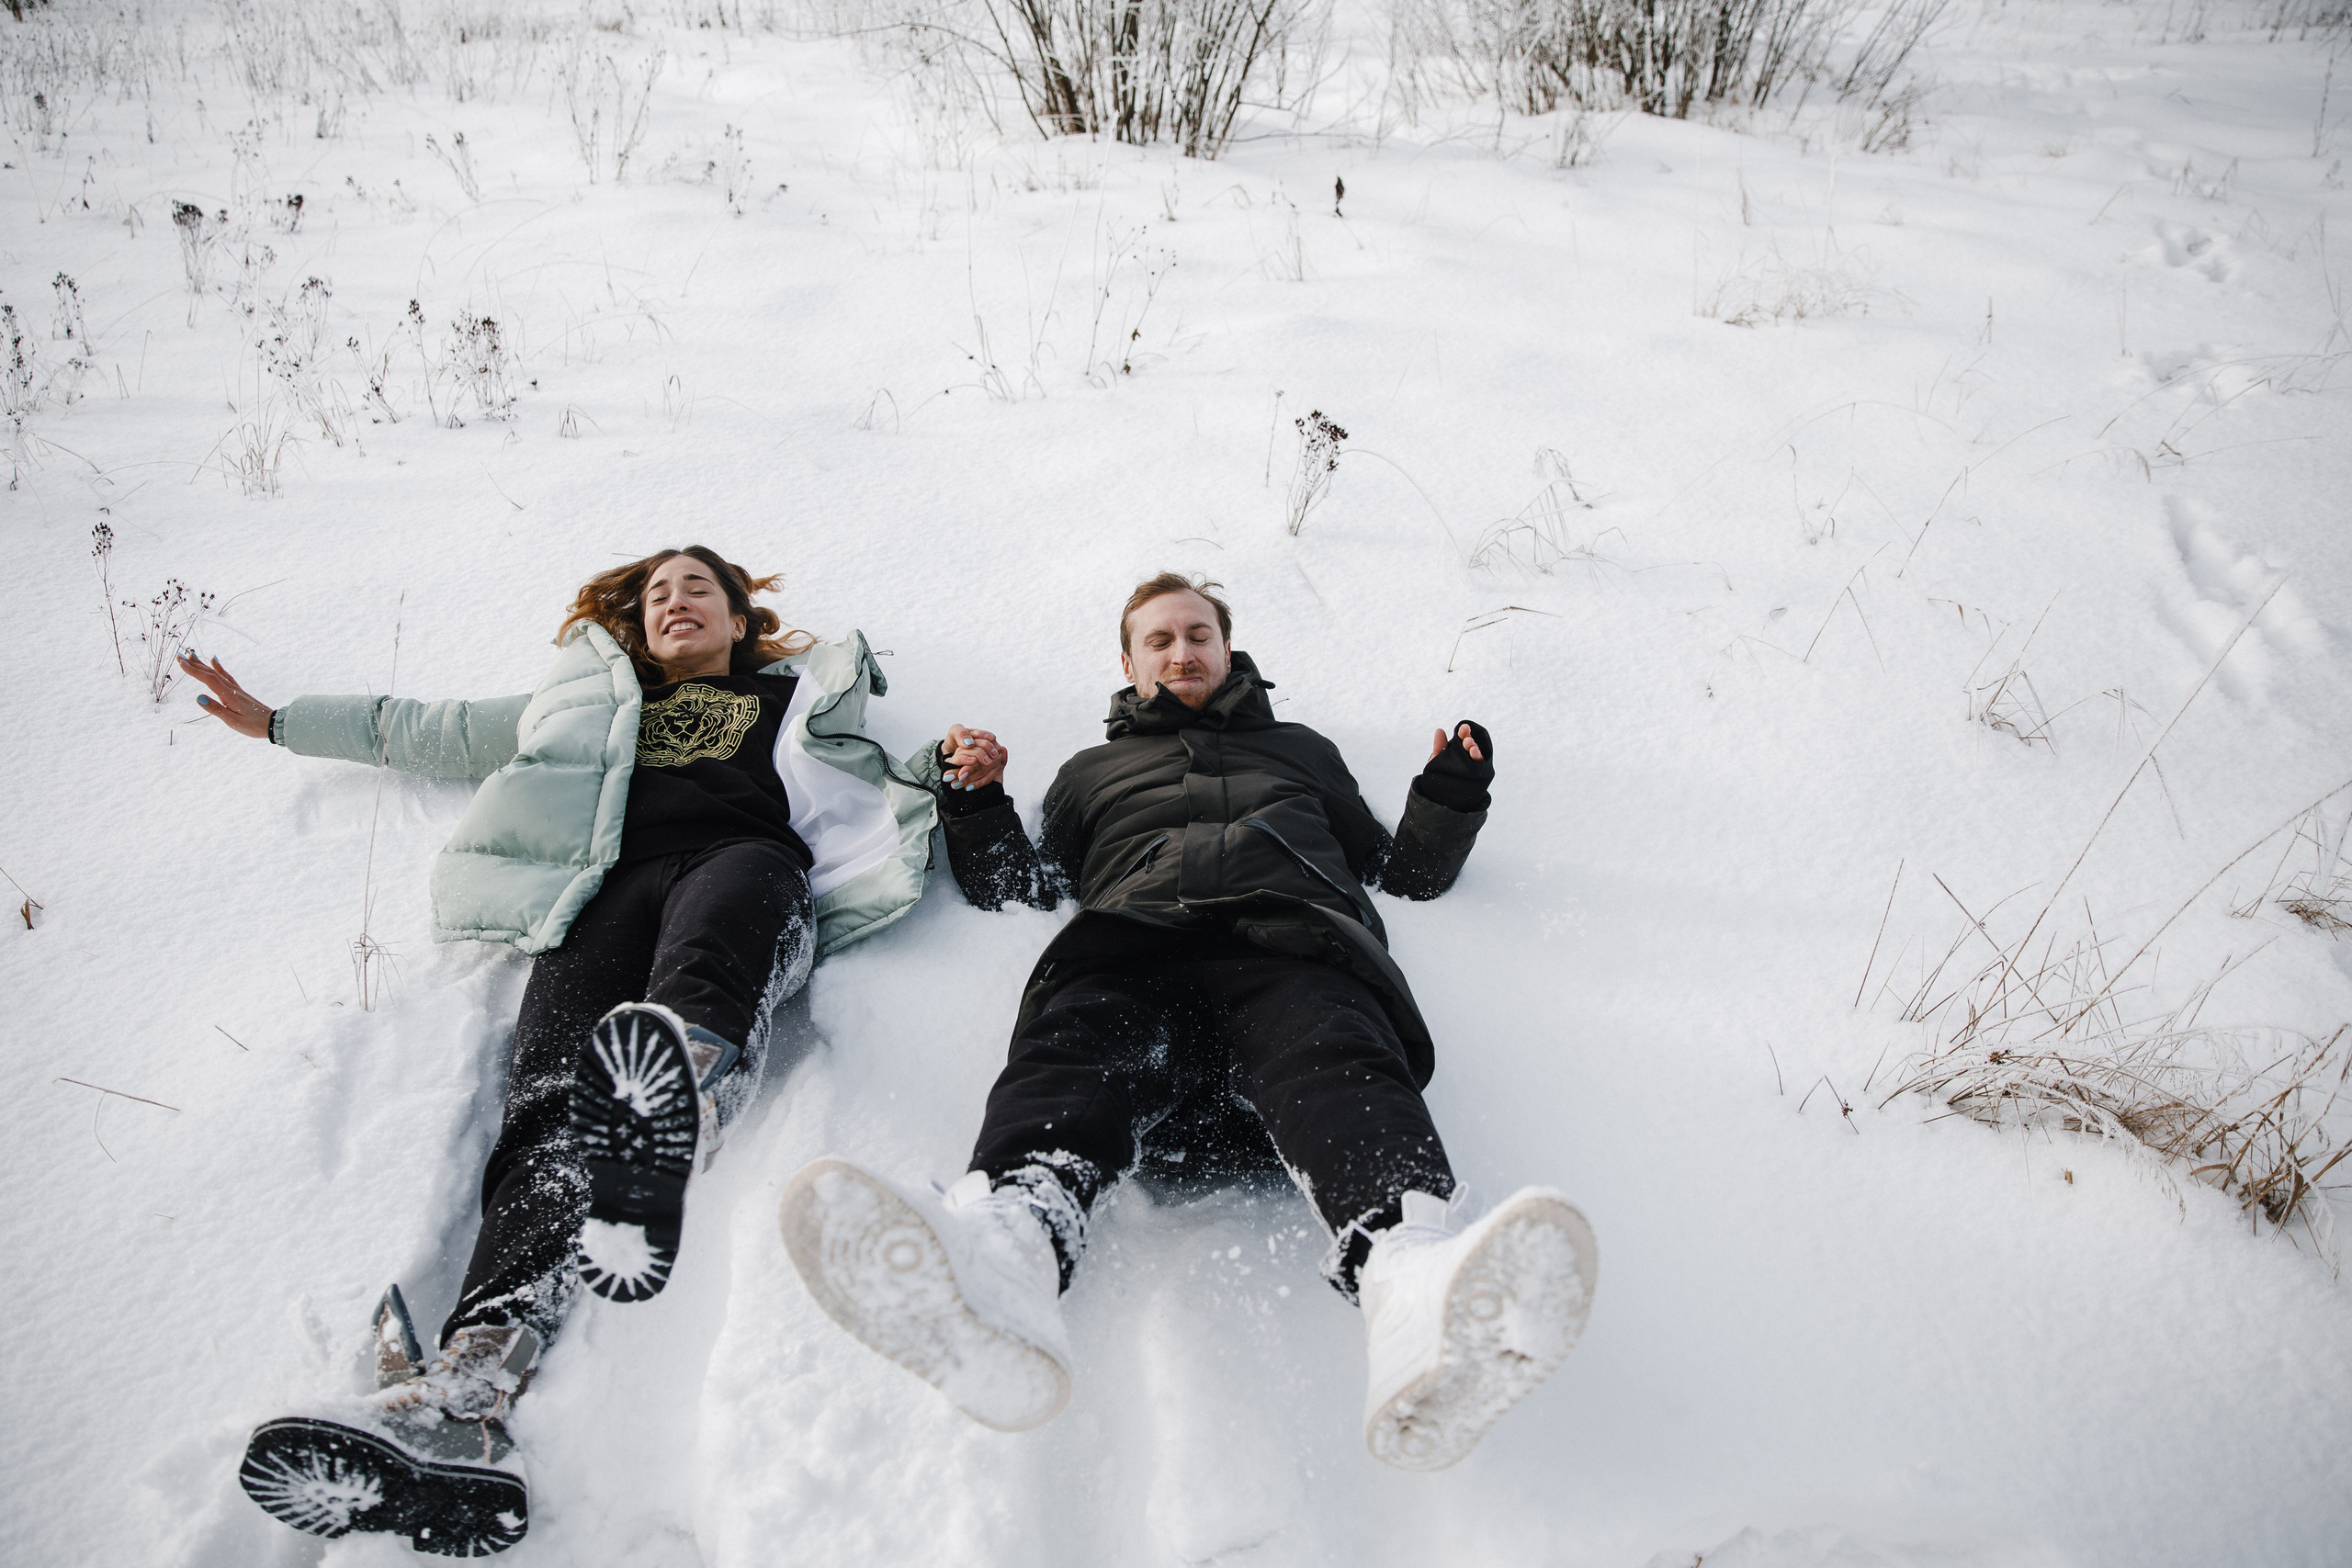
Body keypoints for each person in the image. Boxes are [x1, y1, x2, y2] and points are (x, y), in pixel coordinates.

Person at [190, 547, 1009, 1557]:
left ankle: (684, 1095)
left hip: (745, 866)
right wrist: (276, 720)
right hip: (602, 899)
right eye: (656, 593)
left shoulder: (795, 696)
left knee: (709, 955)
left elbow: (884, 777)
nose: (674, 602)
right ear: (634, 622)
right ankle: (470, 1388)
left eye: (696, 589)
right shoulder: (579, 703)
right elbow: (426, 729)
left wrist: (956, 768)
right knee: (544, 1113)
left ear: (739, 618)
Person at [778, 572, 1599, 1472]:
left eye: (1197, 635)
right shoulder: (1090, 775)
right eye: (1158, 640)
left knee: (1332, 1056)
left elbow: (1400, 871)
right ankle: (1008, 1255)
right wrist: (977, 804)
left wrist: (1448, 795)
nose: (1181, 651)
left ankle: (1412, 1276)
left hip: (1291, 944)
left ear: (1227, 647)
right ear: (1128, 663)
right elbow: (1021, 890)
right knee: (1078, 1049)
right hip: (1137, 950)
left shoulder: (1302, 750)